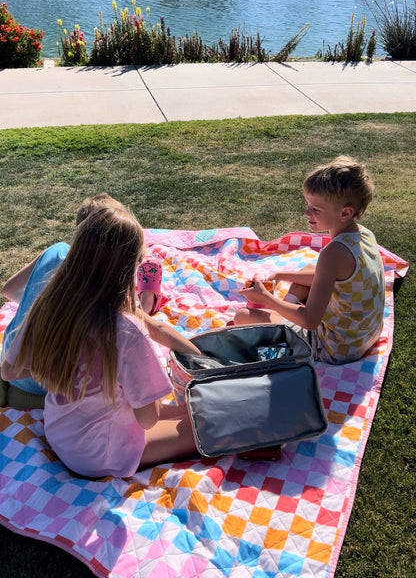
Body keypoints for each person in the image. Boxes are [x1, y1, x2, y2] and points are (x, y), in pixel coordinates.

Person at [1, 204, 200, 477]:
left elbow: (9, 370)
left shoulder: (47, 308)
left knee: (184, 410)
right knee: (203, 423)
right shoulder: (127, 332)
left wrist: (60, 369)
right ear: (126, 269)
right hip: (99, 455)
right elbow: (148, 419)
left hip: (59, 432)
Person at [0, 194, 185, 409]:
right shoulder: (98, 290)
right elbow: (150, 327)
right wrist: (201, 355)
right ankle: (147, 301)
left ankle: (11, 394)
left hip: (13, 359)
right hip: (49, 385)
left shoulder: (56, 252)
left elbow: (9, 290)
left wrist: (34, 306)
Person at [234, 155, 385, 365]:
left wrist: (266, 298)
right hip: (363, 337)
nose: (306, 213)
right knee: (307, 270)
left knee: (242, 317)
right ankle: (287, 311)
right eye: (307, 205)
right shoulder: (364, 234)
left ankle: (277, 348)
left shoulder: (333, 253)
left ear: (345, 213)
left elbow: (310, 321)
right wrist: (279, 275)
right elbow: (324, 276)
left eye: (315, 209)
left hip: (333, 349)